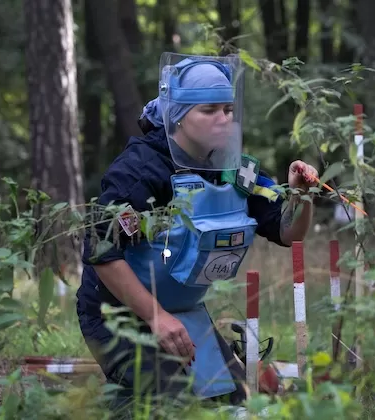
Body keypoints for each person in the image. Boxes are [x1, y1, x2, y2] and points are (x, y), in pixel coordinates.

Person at [75, 52, 318, 416]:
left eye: (228, 109)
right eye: (209, 110)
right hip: (116, 314)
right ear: (178, 115)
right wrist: (156, 317)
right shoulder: (139, 170)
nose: (224, 119)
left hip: (184, 314)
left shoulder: (236, 169)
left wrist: (301, 196)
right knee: (177, 408)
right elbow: (100, 250)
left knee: (237, 403)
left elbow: (288, 233)